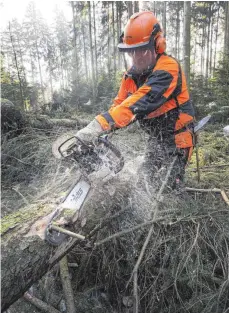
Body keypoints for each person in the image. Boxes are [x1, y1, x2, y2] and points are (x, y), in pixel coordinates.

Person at [75, 11, 195, 190]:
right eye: (132, 51)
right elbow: (120, 105)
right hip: (156, 139)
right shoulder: (130, 76)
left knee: (167, 189)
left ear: (158, 45)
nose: (136, 57)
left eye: (142, 51)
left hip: (178, 140)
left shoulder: (168, 69)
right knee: (143, 183)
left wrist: (100, 124)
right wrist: (101, 133)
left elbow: (141, 100)